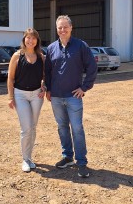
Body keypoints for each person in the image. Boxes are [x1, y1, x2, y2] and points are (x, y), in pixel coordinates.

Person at [44, 15, 97, 178]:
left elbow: (92, 67)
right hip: (57, 97)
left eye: (65, 26)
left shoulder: (81, 46)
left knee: (77, 128)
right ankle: (68, 157)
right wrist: (48, 88)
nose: (62, 30)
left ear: (71, 28)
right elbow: (47, 71)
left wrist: (84, 87)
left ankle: (81, 162)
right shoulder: (52, 48)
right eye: (59, 27)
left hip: (74, 96)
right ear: (56, 29)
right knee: (62, 127)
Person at [7, 28, 46, 172]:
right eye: (28, 38)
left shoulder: (41, 57)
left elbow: (45, 76)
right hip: (20, 95)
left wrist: (44, 87)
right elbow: (10, 78)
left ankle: (29, 157)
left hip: (36, 95)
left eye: (33, 38)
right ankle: (25, 159)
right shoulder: (17, 56)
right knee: (26, 128)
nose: (30, 41)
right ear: (24, 40)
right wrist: (10, 97)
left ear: (37, 41)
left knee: (33, 127)